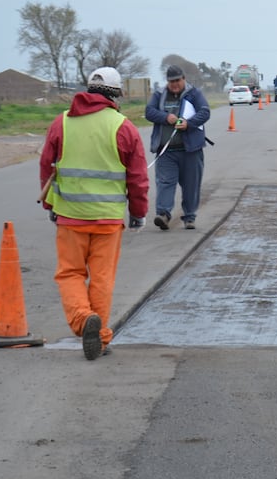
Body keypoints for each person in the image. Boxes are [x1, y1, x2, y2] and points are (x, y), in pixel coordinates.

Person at [40, 67, 149, 360]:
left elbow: (47, 165)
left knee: (70, 274)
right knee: (102, 279)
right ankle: (99, 339)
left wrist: (51, 204)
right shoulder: (123, 127)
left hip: (70, 217)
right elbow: (137, 177)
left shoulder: (61, 122)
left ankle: (82, 320)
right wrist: (138, 213)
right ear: (117, 95)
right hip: (108, 220)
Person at [145, 65, 211, 231]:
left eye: (177, 80)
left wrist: (189, 123)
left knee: (191, 185)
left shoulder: (194, 94)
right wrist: (166, 117)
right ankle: (164, 214)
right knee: (165, 183)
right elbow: (149, 112)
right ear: (167, 82)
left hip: (191, 151)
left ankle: (189, 217)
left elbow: (205, 112)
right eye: (171, 81)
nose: (174, 84)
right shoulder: (159, 95)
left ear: (184, 79)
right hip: (166, 151)